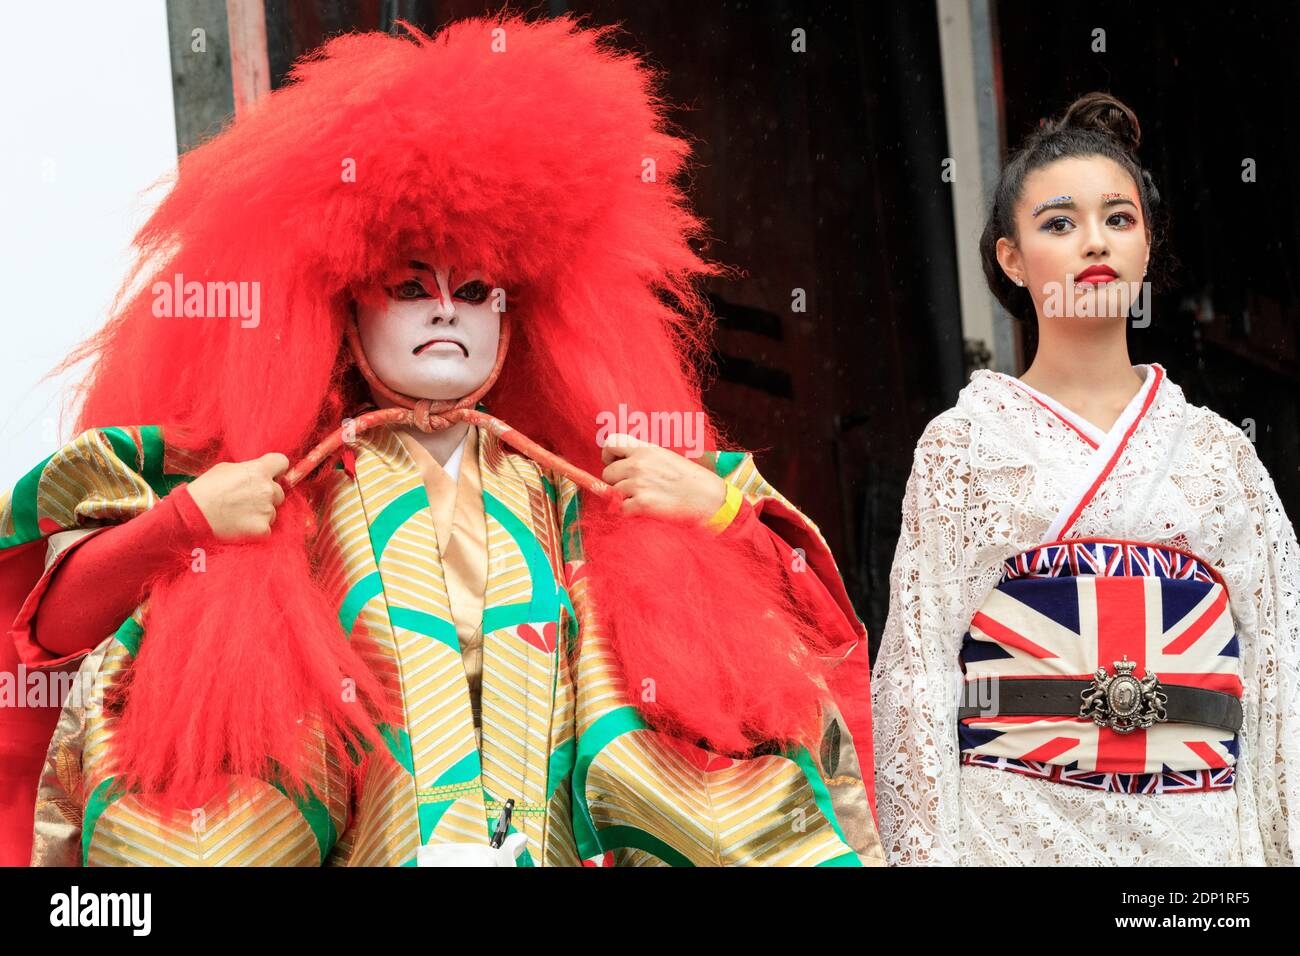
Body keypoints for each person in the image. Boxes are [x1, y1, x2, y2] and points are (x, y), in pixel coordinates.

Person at [0, 15, 881, 867]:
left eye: (476, 288)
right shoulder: (271, 490)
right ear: (346, 306)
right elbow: (57, 628)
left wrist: (719, 510)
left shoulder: (587, 497)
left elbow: (798, 656)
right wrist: (187, 520)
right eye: (410, 284)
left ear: (516, 312)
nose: (446, 310)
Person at [871, 92, 1300, 865]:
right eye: (1059, 223)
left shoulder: (1217, 455)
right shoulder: (962, 447)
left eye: (1119, 219)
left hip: (1197, 839)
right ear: (1010, 257)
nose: (1093, 242)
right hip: (1014, 826)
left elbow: (1279, 675)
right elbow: (918, 682)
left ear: (1146, 247)